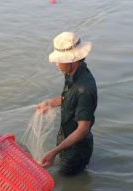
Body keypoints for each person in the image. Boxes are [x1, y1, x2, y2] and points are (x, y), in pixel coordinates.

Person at [37, 32, 97, 176]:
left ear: (74, 60)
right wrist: (51, 103)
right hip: (66, 140)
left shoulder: (85, 89)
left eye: (60, 60)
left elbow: (83, 129)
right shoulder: (71, 73)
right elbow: (68, 98)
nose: (57, 64)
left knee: (65, 180)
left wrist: (54, 152)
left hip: (76, 150)